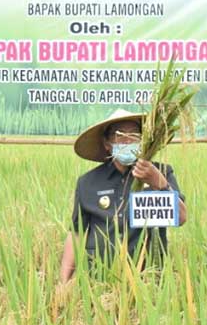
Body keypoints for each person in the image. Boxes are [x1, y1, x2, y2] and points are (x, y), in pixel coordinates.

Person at [57, 109, 187, 283]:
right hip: (97, 280)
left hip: (147, 281)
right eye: (119, 135)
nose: (127, 140)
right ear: (107, 143)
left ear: (144, 141)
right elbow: (77, 233)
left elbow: (181, 218)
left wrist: (159, 183)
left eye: (134, 134)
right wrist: (63, 282)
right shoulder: (88, 182)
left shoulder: (161, 173)